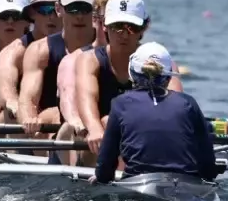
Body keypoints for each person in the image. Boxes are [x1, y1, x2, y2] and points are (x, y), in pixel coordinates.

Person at [65, 0, 181, 157]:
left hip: (145, 137)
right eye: (117, 26)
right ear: (105, 26)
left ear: (144, 27)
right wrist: (95, 129)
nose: (124, 35)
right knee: (105, 122)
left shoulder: (162, 63)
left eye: (132, 27)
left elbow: (176, 107)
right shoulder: (89, 60)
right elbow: (86, 98)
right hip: (98, 140)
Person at [92, 41, 219, 184]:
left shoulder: (120, 104)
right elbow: (208, 166)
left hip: (137, 190)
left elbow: (105, 167)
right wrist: (209, 176)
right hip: (185, 190)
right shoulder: (188, 103)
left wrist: (101, 179)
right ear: (169, 77)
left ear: (132, 73)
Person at [16, 0, 96, 135]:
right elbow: (27, 100)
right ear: (59, 9)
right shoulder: (39, 50)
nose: (79, 15)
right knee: (51, 114)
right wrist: (29, 119)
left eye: (85, 8)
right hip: (48, 128)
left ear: (95, 10)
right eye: (73, 8)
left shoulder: (104, 47)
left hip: (93, 125)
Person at [0, 0, 65, 122]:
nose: (51, 16)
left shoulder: (80, 46)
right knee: (8, 115)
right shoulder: (15, 51)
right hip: (24, 120)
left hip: (60, 117)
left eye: (56, 10)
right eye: (44, 10)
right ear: (32, 13)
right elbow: (5, 87)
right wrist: (13, 104)